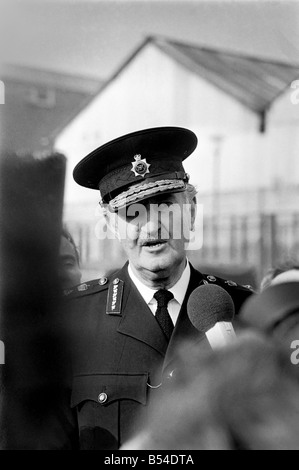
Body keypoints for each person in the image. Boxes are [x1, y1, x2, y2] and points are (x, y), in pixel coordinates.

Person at [66, 126, 253, 450]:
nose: (152, 225)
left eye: (165, 204)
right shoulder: (71, 321)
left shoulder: (246, 311)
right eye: (132, 212)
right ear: (111, 224)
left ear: (192, 209)